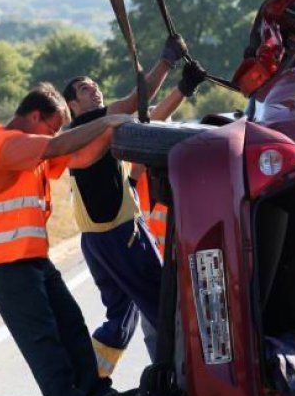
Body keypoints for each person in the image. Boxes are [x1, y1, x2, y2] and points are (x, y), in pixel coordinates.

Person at [0, 83, 132, 396]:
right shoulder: (9, 145)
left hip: (31, 258)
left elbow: (81, 156)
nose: (56, 133)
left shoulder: (33, 150)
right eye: (53, 125)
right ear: (34, 116)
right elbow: (60, 145)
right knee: (43, 339)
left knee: (71, 323)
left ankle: (96, 393)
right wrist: (107, 122)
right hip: (4, 263)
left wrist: (119, 128)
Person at [63, 43, 207, 378]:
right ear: (73, 105)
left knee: (120, 317)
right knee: (162, 304)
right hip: (121, 236)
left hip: (97, 243)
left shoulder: (83, 133)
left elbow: (148, 119)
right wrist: (167, 62)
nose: (94, 89)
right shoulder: (91, 125)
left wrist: (183, 89)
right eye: (85, 89)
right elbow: (135, 104)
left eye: (94, 85)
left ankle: (87, 380)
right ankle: (186, 378)